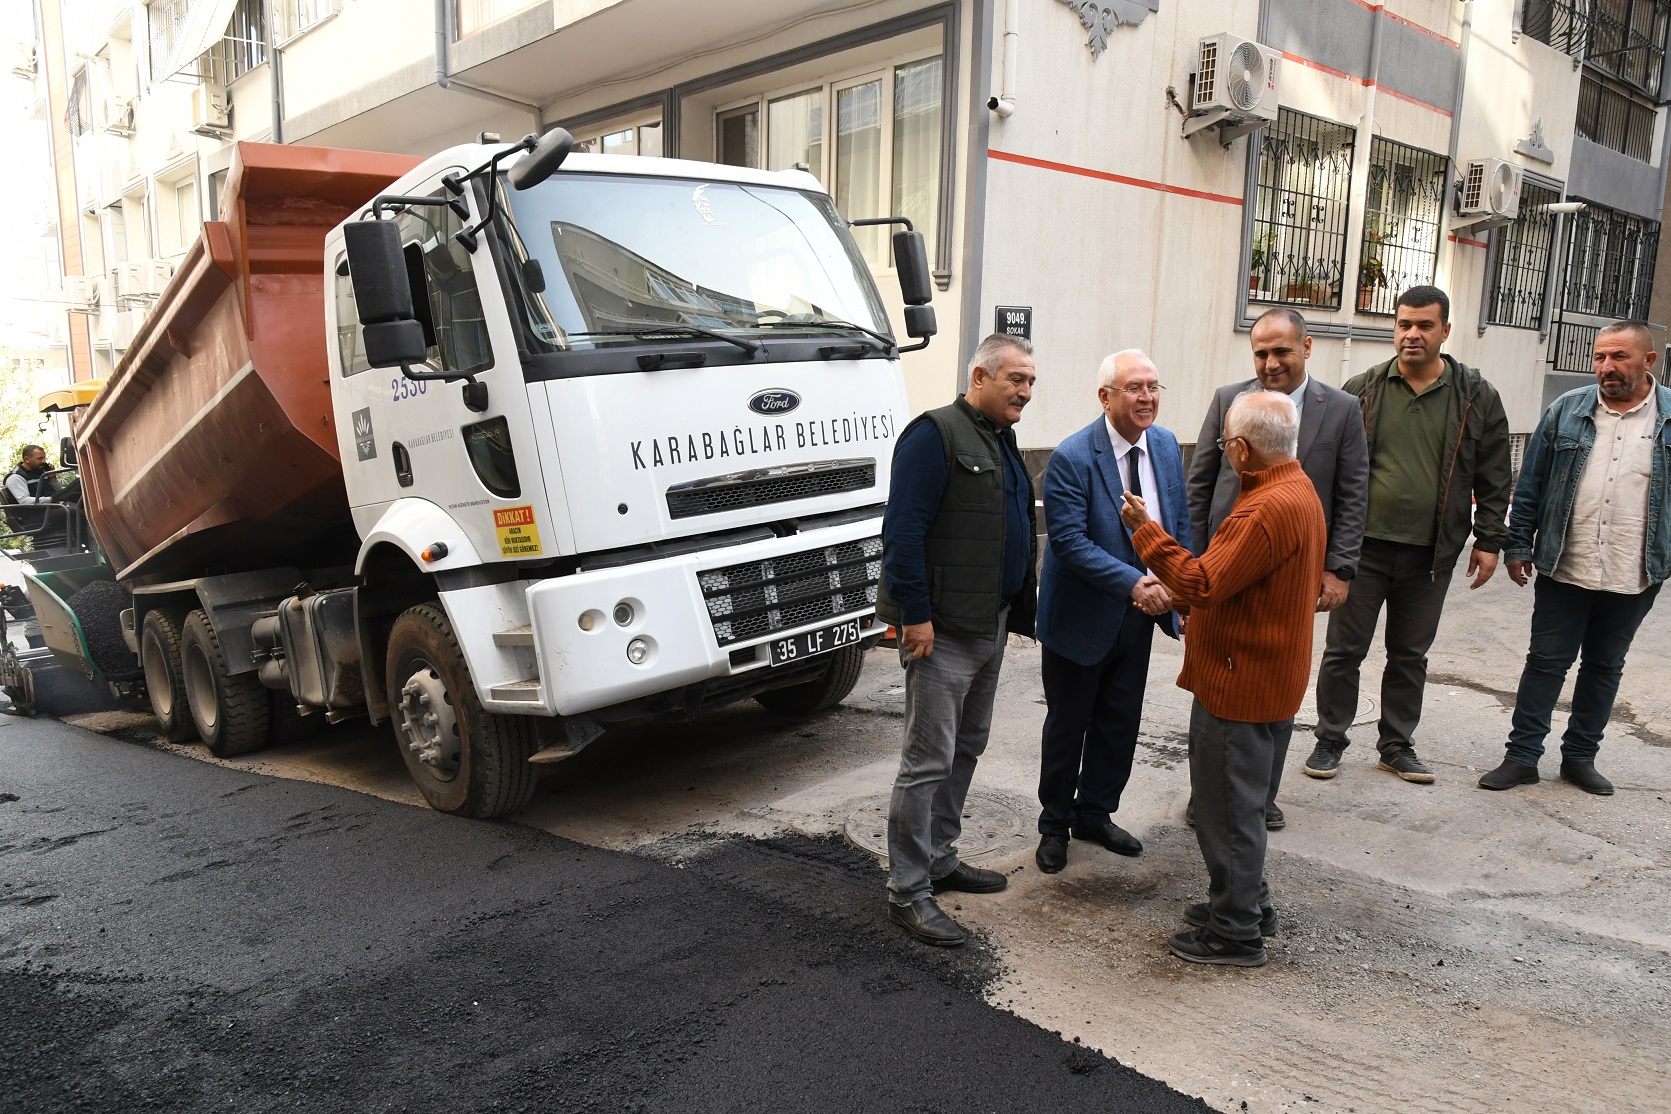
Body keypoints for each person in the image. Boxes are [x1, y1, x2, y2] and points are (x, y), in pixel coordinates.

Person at [1123, 390, 1326, 967]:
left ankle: (1236, 931)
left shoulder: (1263, 508)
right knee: (1245, 802)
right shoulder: (1297, 488)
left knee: (1227, 808)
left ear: (1239, 449)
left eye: (1223, 443)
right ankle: (1248, 902)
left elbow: (1203, 583)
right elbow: (1236, 581)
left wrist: (1145, 531)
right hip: (1268, 673)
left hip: (1241, 681)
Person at [1306, 286, 1513, 785]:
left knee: (1409, 655)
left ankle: (1396, 746)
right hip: (1361, 551)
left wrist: (1488, 540)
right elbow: (1330, 471)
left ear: (1446, 330)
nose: (1412, 334)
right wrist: (1325, 546)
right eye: (1404, 325)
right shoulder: (1362, 390)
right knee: (1343, 651)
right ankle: (1330, 738)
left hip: (1430, 555)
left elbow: (1494, 474)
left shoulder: (1476, 395)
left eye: (1424, 325)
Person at [875, 333, 1039, 946]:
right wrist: (915, 616)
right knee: (927, 762)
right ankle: (908, 890)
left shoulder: (1002, 439)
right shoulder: (934, 434)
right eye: (1015, 379)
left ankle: (940, 858)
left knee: (966, 747)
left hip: (988, 622)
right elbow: (903, 532)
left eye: (1031, 381)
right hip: (940, 631)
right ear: (979, 377)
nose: (1025, 391)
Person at [1187, 307, 1370, 829]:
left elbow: (1353, 493)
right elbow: (1200, 486)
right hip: (1228, 570)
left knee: (1277, 688)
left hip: (1294, 578)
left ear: (1306, 348)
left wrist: (1339, 569)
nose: (1271, 363)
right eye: (1261, 353)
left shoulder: (1342, 410)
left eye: (1282, 351)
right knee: (1215, 685)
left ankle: (1261, 798)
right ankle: (1208, 797)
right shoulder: (1229, 400)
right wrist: (1197, 568)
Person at [1481, 321, 1671, 796]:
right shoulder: (1566, 409)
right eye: (1600, 356)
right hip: (1565, 563)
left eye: (1619, 357)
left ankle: (1580, 758)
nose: (1607, 366)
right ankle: (1522, 757)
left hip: (1634, 570)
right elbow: (1530, 485)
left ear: (1649, 360)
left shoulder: (1668, 417)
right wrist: (1518, 545)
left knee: (1604, 666)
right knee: (1546, 662)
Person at [1032, 350, 1190, 874]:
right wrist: (1133, 583)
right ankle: (1054, 825)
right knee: (1069, 725)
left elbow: (1178, 523)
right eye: (1135, 388)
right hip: (1081, 618)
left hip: (1140, 616)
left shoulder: (1165, 445)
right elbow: (1069, 542)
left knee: (1120, 721)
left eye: (1153, 386)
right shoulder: (1073, 456)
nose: (1147, 397)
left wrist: (1184, 590)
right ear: (1105, 397)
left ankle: (1094, 813)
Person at [1, 445, 65, 548]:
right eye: (39, 459)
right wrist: (51, 499)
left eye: (44, 458)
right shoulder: (16, 477)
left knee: (78, 508)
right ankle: (84, 544)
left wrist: (53, 478)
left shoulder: (42, 472)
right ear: (27, 459)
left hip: (47, 510)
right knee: (72, 513)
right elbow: (25, 501)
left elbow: (59, 491)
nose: (43, 461)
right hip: (31, 516)